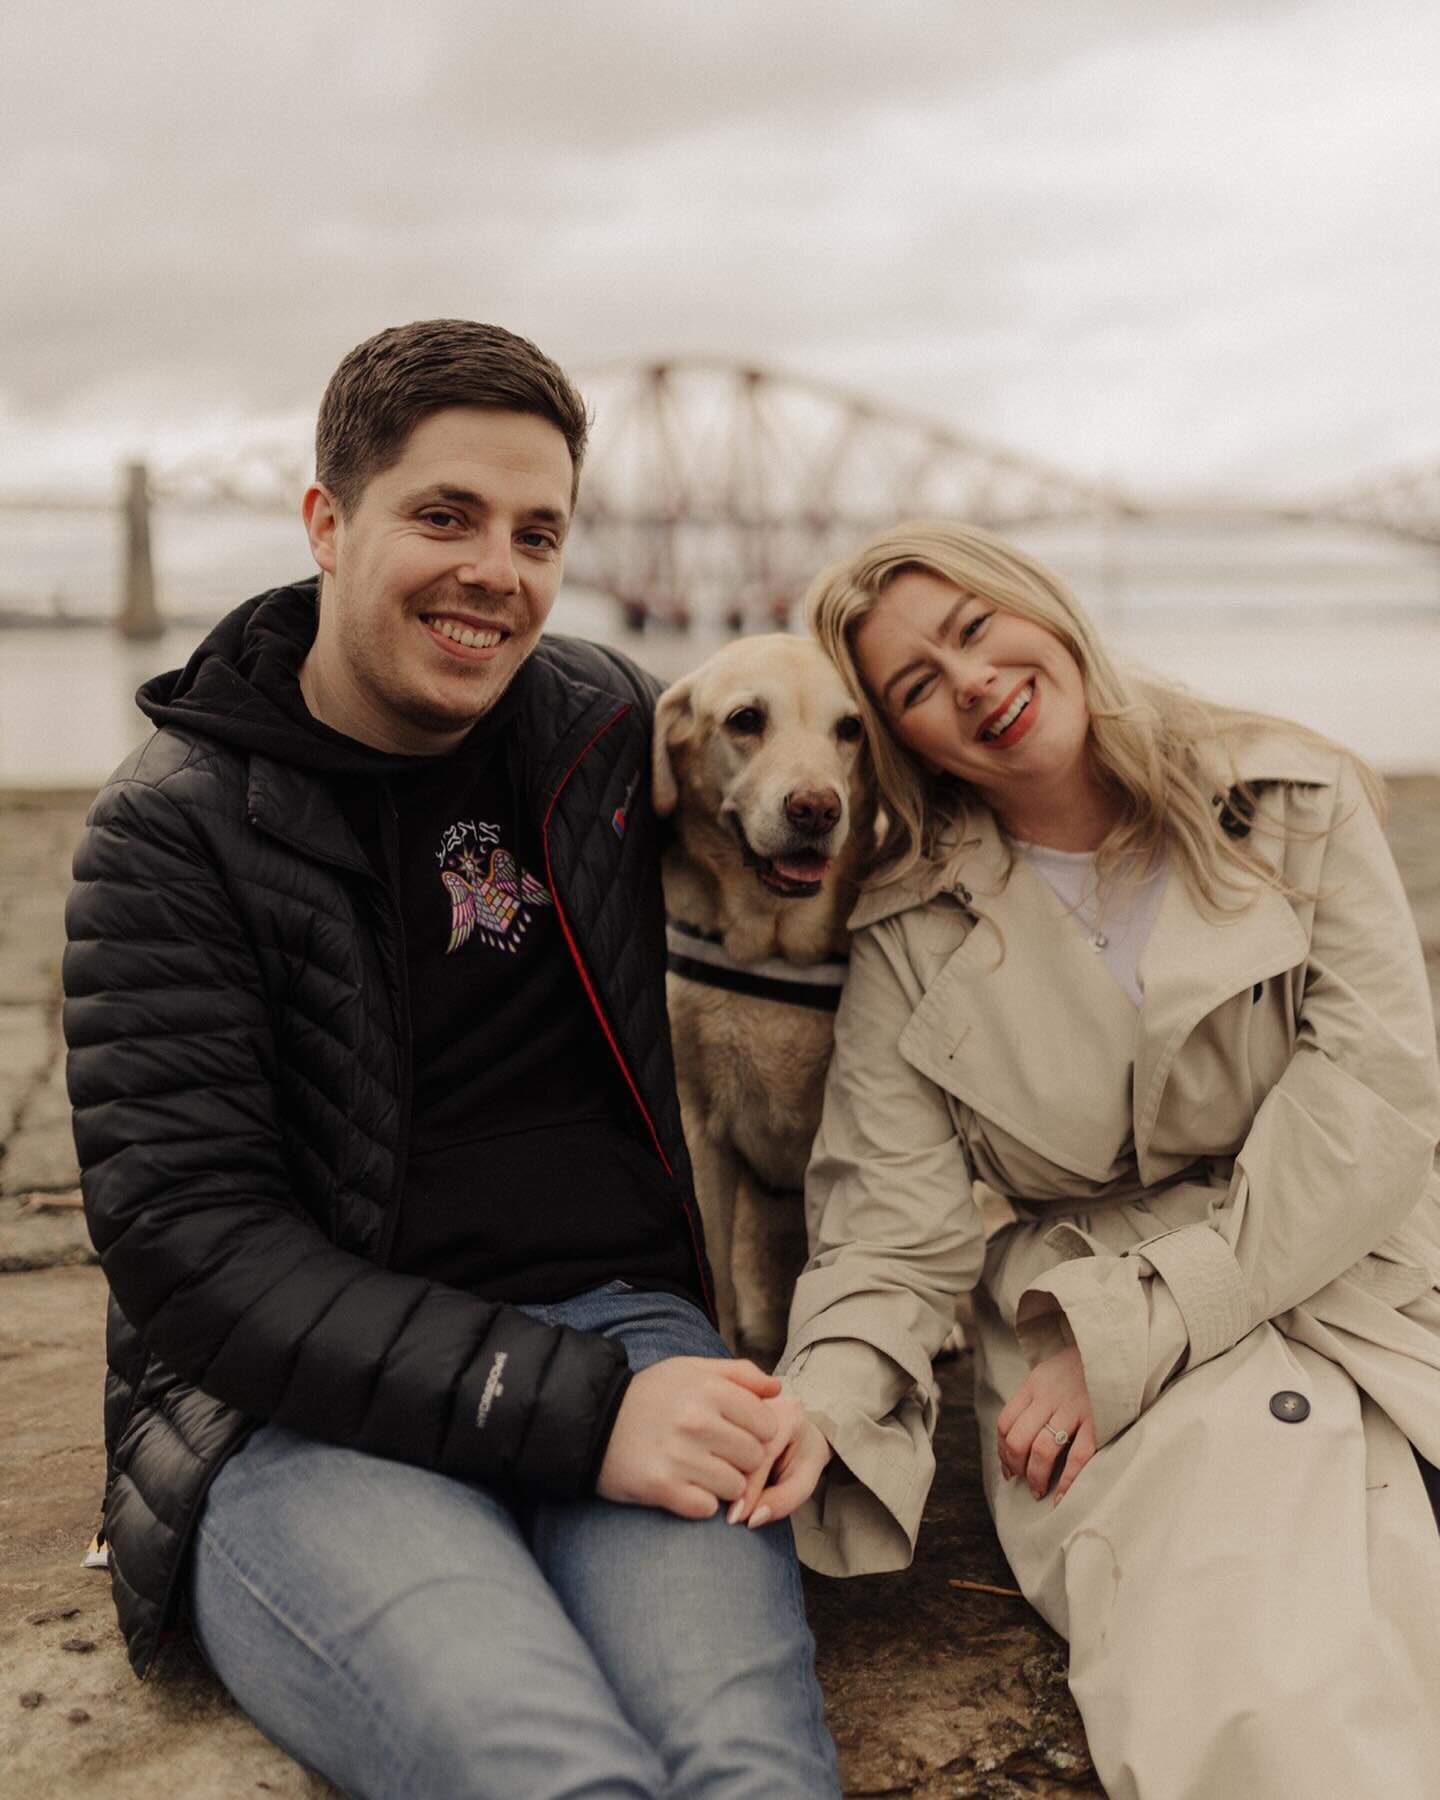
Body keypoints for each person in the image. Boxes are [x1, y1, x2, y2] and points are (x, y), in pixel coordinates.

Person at [62, 319, 838, 1799]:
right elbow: (191, 1245)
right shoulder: (169, 829)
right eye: (444, 516)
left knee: (745, 1767)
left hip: (628, 1333)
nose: (498, 570)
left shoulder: (601, 726)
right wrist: (584, 1415)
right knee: (542, 1771)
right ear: (326, 523)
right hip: (303, 1415)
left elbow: (863, 785)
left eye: (537, 531)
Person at [727, 519, 1440, 1797]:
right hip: (1087, 1315)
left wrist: (1149, 1320)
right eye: (917, 688)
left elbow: (1375, 1097)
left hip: (1366, 1259)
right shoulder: (905, 927)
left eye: (975, 630)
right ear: (905, 740)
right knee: (1262, 1679)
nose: (973, 685)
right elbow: (890, 1222)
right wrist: (824, 1404)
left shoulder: (1289, 799)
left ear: (1042, 609)